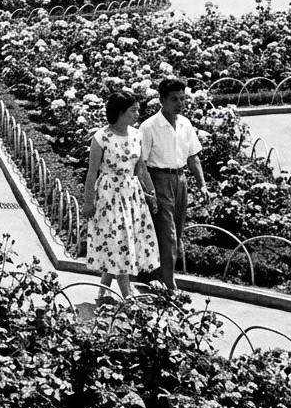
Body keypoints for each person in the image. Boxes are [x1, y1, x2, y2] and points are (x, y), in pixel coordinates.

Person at [82, 92, 160, 304]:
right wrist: (88, 202)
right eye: (133, 110)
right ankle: (128, 296)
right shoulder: (101, 137)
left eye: (137, 109)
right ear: (119, 112)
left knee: (122, 241)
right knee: (119, 241)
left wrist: (150, 194)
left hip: (131, 194)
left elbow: (141, 167)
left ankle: (103, 291)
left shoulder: (136, 135)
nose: (137, 114)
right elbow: (92, 172)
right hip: (109, 195)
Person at [139, 78, 211, 290]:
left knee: (176, 232)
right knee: (167, 233)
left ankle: (157, 276)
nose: (179, 104)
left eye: (182, 99)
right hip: (159, 179)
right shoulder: (149, 126)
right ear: (161, 100)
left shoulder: (185, 123)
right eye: (174, 99)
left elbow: (193, 156)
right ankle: (169, 284)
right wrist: (149, 190)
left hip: (180, 180)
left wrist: (202, 184)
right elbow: (141, 163)